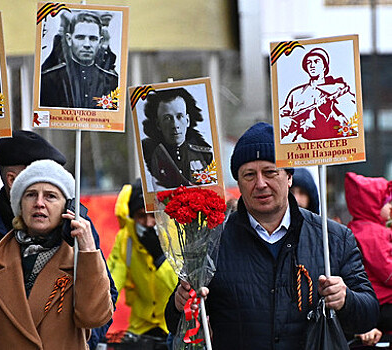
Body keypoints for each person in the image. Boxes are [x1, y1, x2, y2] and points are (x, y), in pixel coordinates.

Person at [164, 122, 379, 349]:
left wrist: (346, 299)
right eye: (249, 175)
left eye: (270, 172)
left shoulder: (333, 238)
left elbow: (368, 315)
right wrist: (181, 305)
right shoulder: (211, 242)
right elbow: (174, 322)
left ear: (289, 177)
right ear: (238, 182)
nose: (260, 184)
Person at [0, 130, 117, 350]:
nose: (39, 203)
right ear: (19, 204)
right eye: (30, 195)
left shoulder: (79, 250)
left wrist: (79, 339)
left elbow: (98, 316)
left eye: (51, 196)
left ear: (66, 206)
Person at [107, 179, 177, 347]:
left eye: (153, 214)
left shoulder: (177, 235)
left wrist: (160, 258)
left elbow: (182, 288)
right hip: (140, 328)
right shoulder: (125, 238)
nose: (148, 223)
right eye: (141, 216)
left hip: (175, 324)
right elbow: (111, 283)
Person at [345, 172, 392, 346]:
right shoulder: (372, 233)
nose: (390, 208)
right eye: (386, 203)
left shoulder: (362, 228)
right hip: (380, 298)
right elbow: (387, 272)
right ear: (372, 205)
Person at [39, 11, 119, 109]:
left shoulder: (112, 82)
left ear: (100, 42)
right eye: (80, 37)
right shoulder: (48, 80)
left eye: (93, 38)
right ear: (69, 40)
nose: (87, 45)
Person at [141, 88, 213, 189]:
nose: (175, 125)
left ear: (187, 121)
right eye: (167, 118)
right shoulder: (153, 157)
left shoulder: (204, 155)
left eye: (179, 116)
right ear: (158, 124)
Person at [279, 47, 356, 143]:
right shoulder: (296, 94)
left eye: (316, 61)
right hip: (302, 145)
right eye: (308, 63)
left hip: (334, 144)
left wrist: (325, 110)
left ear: (324, 66)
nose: (312, 65)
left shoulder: (339, 89)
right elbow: (282, 117)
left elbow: (351, 117)